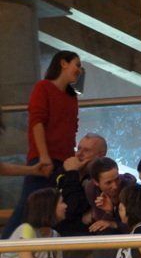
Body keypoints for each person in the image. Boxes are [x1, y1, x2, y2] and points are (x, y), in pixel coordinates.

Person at [4, 51, 82, 238]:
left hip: (62, 161)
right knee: (29, 206)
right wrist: (44, 155)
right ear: (63, 63)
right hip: (44, 159)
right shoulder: (43, 87)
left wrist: (71, 159)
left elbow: (71, 130)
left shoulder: (71, 97)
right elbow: (37, 122)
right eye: (77, 65)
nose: (79, 70)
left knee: (51, 209)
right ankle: (5, 245)